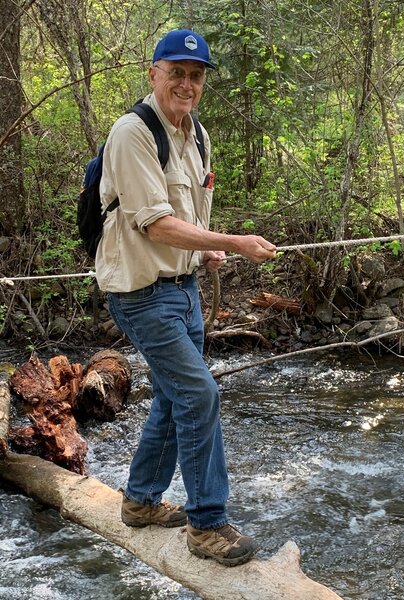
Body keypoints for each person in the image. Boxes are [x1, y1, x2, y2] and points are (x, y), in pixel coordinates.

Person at [95, 28, 276, 567]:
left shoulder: (198, 136)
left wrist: (205, 253)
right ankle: (208, 525)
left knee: (177, 398)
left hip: (184, 289)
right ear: (154, 73)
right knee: (200, 395)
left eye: (196, 76)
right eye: (176, 72)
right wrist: (234, 244)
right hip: (139, 293)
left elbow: (188, 221)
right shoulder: (131, 133)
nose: (187, 84)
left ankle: (140, 501)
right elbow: (154, 225)